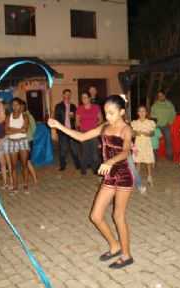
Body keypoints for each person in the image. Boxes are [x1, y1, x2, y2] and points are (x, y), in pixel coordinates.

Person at [48, 95, 135, 269]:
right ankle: (114, 245)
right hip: (109, 176)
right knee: (95, 216)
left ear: (122, 112)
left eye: (111, 113)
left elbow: (126, 151)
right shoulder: (104, 127)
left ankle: (126, 255)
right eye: (106, 113)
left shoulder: (126, 130)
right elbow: (81, 137)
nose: (108, 117)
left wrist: (110, 162)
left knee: (118, 216)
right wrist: (59, 126)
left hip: (123, 175)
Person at [6, 98, 30, 194]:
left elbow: (25, 130)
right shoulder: (9, 117)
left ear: (20, 106)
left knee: (24, 164)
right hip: (12, 142)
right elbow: (6, 131)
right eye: (13, 105)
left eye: (16, 104)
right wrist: (19, 129)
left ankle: (25, 184)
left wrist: (12, 129)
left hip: (23, 141)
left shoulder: (24, 116)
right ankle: (15, 186)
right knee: (13, 166)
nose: (14, 106)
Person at [53, 89, 80, 171]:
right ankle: (62, 166)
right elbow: (56, 118)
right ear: (63, 95)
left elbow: (76, 118)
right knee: (63, 149)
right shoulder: (58, 106)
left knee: (74, 148)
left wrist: (73, 117)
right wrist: (57, 130)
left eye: (69, 94)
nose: (68, 96)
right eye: (66, 94)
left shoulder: (73, 106)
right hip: (63, 131)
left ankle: (78, 165)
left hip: (72, 131)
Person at [76, 91, 103, 175]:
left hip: (94, 133)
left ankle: (96, 169)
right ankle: (83, 170)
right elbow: (77, 122)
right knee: (85, 152)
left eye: (85, 97)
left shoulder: (96, 107)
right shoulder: (79, 108)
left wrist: (95, 127)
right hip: (83, 133)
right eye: (82, 98)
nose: (83, 99)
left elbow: (101, 119)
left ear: (89, 98)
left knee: (95, 152)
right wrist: (80, 129)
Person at [131, 106, 156, 186]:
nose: (142, 113)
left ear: (146, 113)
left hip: (147, 144)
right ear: (137, 113)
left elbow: (152, 133)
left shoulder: (150, 122)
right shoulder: (135, 122)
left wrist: (148, 134)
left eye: (143, 111)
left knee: (148, 161)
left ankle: (149, 176)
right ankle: (136, 177)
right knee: (137, 161)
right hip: (138, 144)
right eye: (140, 111)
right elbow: (132, 133)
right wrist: (135, 133)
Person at [151, 90, 176, 160]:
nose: (160, 97)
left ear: (164, 96)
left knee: (168, 140)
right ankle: (154, 156)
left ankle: (169, 156)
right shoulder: (155, 105)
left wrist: (170, 122)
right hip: (157, 126)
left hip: (166, 125)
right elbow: (152, 115)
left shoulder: (169, 104)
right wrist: (154, 125)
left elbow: (173, 113)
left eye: (161, 95)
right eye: (159, 96)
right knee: (154, 140)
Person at [0, 101, 12, 189]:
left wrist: (2, 140)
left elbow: (9, 132)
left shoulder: (8, 118)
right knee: (2, 164)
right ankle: (5, 183)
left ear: (4, 107)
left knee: (9, 163)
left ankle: (12, 182)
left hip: (6, 141)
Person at [22, 101, 38, 185]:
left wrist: (29, 135)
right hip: (23, 140)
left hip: (27, 140)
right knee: (25, 161)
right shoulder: (19, 116)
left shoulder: (28, 115)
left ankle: (35, 178)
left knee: (27, 161)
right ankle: (28, 178)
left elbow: (34, 127)